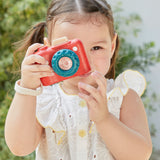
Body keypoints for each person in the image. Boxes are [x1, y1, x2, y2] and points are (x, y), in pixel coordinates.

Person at [5, 0, 152, 160]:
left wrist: (104, 119)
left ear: (111, 47)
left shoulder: (122, 96)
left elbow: (140, 155)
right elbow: (20, 148)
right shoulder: (43, 99)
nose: (85, 60)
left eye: (96, 48)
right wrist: (27, 89)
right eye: (71, 50)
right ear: (50, 49)